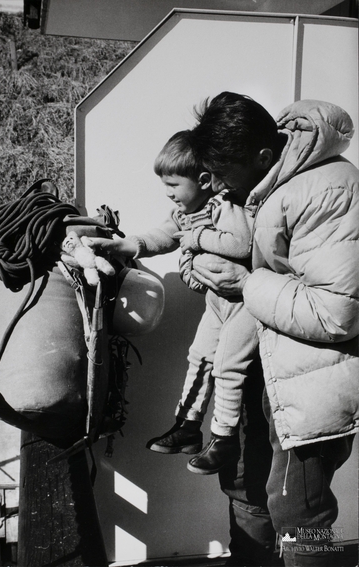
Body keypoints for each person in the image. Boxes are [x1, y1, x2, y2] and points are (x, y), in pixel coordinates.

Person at [188, 91, 359, 566]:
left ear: (263, 156)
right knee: (257, 490)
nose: (216, 185)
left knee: (302, 514)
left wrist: (245, 283)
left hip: (311, 384)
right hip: (278, 371)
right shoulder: (275, 182)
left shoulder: (325, 191)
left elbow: (336, 313)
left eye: (223, 173)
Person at [88, 129, 262, 475]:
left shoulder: (223, 205)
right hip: (217, 301)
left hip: (245, 303)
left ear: (203, 180)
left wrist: (196, 237)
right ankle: (187, 427)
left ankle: (224, 439)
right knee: (199, 356)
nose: (168, 194)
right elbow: (165, 235)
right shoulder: (186, 212)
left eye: (173, 186)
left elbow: (242, 244)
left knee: (228, 365)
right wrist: (126, 245)